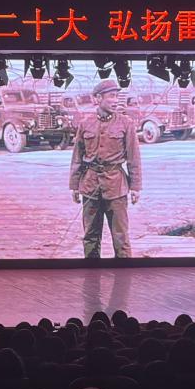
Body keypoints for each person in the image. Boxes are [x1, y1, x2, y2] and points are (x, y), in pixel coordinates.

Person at [68, 79, 142, 259]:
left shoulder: (126, 123)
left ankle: (123, 275)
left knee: (121, 238)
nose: (115, 100)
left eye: (117, 96)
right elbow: (77, 156)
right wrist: (74, 186)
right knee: (90, 237)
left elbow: (134, 157)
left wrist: (135, 187)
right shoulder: (85, 123)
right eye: (111, 96)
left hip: (116, 186)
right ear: (98, 98)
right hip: (90, 186)